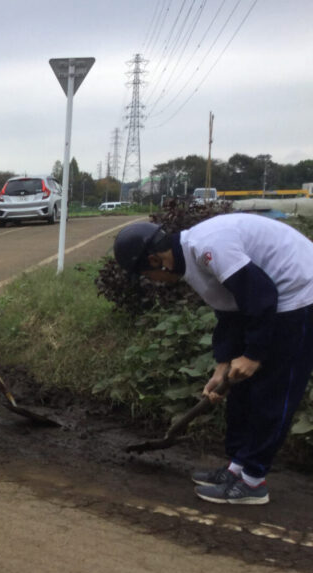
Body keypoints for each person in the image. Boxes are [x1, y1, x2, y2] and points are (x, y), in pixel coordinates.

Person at [113, 213, 313, 506]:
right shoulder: (191, 262)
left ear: (155, 260)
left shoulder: (210, 248)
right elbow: (230, 315)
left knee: (272, 391)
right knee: (241, 386)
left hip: (300, 295)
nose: (152, 281)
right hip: (272, 301)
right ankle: (237, 468)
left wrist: (253, 356)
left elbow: (262, 296)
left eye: (146, 275)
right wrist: (222, 367)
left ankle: (253, 481)